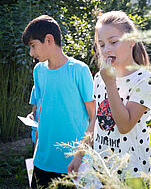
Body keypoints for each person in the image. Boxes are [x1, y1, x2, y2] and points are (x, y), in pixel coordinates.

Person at [69, 11, 151, 188]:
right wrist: (79, 155)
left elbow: (125, 126)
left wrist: (111, 83)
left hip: (131, 172)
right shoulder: (100, 78)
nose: (106, 49)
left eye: (113, 42)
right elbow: (96, 119)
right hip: (101, 167)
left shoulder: (144, 79)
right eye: (101, 44)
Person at [22, 15, 95, 189]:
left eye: (33, 46)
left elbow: (94, 118)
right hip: (42, 160)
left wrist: (79, 155)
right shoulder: (38, 71)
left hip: (74, 163)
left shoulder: (80, 70)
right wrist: (35, 152)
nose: (31, 53)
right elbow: (41, 110)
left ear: (49, 39)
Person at [28, 85, 41, 151]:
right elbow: (34, 111)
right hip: (36, 133)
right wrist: (31, 115)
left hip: (50, 132)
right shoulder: (35, 88)